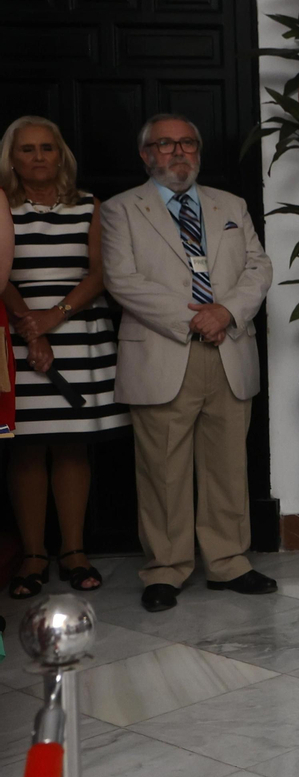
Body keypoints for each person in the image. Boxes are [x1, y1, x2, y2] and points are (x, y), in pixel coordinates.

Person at [101, 113, 275, 612]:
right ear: (146, 154)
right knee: (163, 471)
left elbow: (258, 267)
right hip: (164, 351)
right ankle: (165, 569)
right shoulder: (120, 210)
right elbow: (122, 280)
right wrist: (194, 318)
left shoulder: (230, 205)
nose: (178, 153)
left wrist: (227, 312)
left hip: (228, 349)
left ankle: (228, 563)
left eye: (188, 144)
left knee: (227, 467)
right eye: (166, 145)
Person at [2, 116, 128, 598]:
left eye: (47, 148)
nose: (38, 157)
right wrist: (29, 325)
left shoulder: (88, 205)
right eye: (27, 149)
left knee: (73, 444)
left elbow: (101, 272)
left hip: (78, 329)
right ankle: (33, 555)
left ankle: (74, 551)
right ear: (11, 159)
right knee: (27, 446)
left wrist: (54, 318)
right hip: (17, 330)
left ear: (62, 155)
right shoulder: (1, 206)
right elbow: (0, 272)